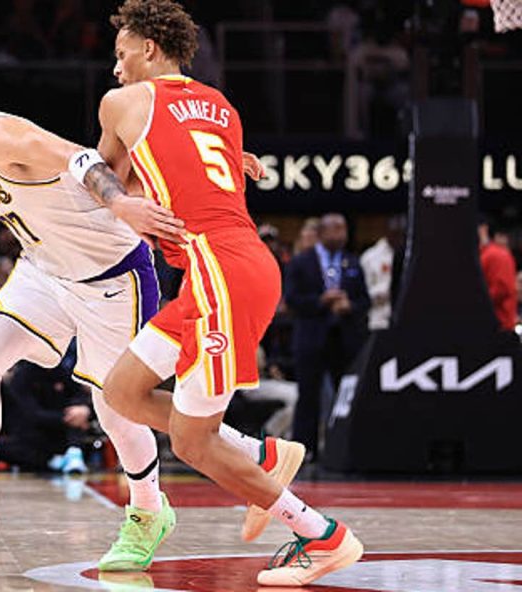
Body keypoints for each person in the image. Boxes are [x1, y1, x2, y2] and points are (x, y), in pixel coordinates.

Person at [0, 67, 262, 569]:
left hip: (111, 274)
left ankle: (151, 511)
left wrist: (121, 203)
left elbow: (80, 157)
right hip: (45, 273)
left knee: (116, 407)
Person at [87, 2, 362, 586]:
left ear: (150, 50)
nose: (116, 69)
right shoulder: (221, 106)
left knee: (192, 441)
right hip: (229, 266)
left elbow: (105, 181)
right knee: (122, 392)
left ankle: (324, 536)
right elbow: (193, 170)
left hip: (219, 273)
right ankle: (262, 455)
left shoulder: (123, 103)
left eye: (121, 54)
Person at [285, 213, 368, 458]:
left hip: (344, 336)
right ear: (321, 233)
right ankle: (304, 449)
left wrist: (349, 305)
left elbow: (365, 300)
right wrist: (320, 301)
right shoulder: (301, 262)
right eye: (334, 229)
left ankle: (343, 447)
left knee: (347, 393)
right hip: (311, 336)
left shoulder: (352, 262)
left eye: (343, 229)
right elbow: (292, 300)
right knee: (308, 394)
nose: (340, 234)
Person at [478, 216, 519, 331]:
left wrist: (474, 302)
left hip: (499, 325)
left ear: (483, 229)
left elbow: (503, 288)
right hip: (488, 324)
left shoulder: (496, 255)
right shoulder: (482, 255)